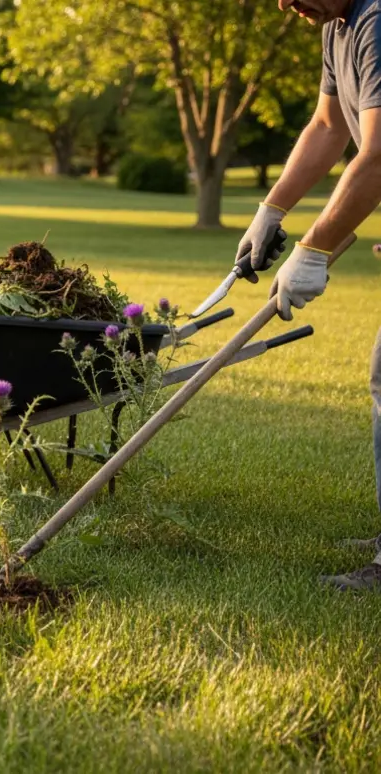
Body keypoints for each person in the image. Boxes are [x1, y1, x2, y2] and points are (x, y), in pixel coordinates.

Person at [239, 0, 381, 590]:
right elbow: (329, 127)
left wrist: (315, 246)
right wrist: (272, 209)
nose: (284, 4)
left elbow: (379, 153)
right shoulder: (339, 25)